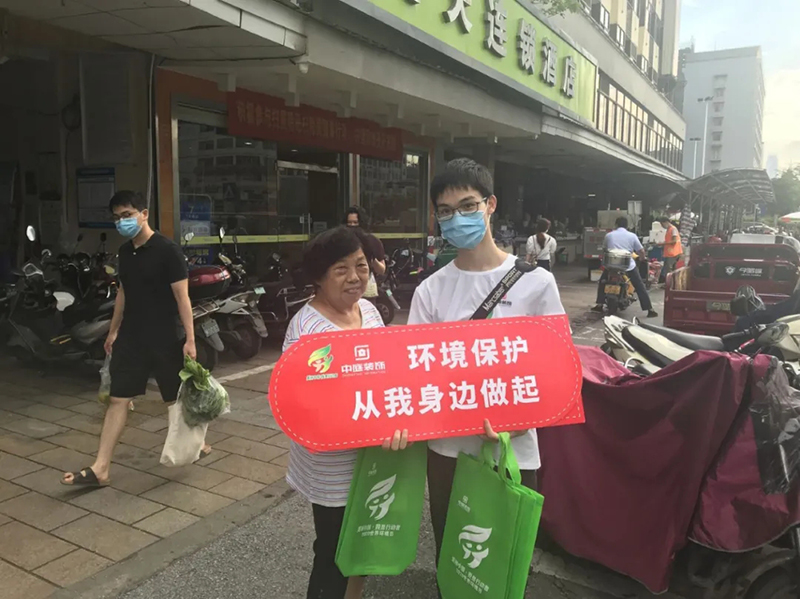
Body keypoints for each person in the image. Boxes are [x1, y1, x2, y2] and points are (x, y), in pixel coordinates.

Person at [407, 158, 565, 594]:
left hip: (513, 451)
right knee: (455, 563)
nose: (456, 218)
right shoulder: (430, 291)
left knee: (504, 567)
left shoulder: (537, 284)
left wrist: (519, 420)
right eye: (445, 211)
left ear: (490, 205)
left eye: (467, 205)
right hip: (448, 452)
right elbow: (416, 377)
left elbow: (556, 371)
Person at [283, 226, 408, 599]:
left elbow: (388, 373)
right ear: (319, 277)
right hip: (332, 470)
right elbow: (299, 408)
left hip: (375, 458)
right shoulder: (306, 331)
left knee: (362, 547)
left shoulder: (368, 311)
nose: (355, 277)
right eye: (341, 269)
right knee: (334, 552)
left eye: (361, 266)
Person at [61, 191, 202, 487]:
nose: (121, 222)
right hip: (132, 336)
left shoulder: (168, 250)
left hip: (165, 335)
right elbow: (123, 293)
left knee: (175, 399)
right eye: (117, 218)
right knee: (118, 398)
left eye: (127, 215)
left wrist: (190, 339)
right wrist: (113, 331)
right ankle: (101, 468)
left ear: (144, 214)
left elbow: (182, 297)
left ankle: (199, 443)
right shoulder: (125, 252)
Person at [591, 216, 658, 318]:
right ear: (627, 226)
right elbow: (641, 251)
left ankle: (599, 305)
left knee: (602, 282)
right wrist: (642, 258)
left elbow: (605, 249)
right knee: (639, 285)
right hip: (627, 265)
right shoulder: (632, 236)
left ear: (616, 225)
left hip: (611, 265)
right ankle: (650, 309)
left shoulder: (609, 235)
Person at [344, 206, 385, 298]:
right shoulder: (340, 242)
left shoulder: (372, 241)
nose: (352, 226)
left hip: (366, 290)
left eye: (355, 223)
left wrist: (371, 258)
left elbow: (382, 270)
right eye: (349, 223)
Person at [658, 216, 683, 283]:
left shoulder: (673, 229)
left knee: (669, 270)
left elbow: (674, 241)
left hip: (673, 253)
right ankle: (673, 283)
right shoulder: (670, 229)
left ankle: (669, 284)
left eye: (662, 224)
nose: (662, 226)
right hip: (673, 252)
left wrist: (662, 243)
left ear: (666, 222)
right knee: (673, 270)